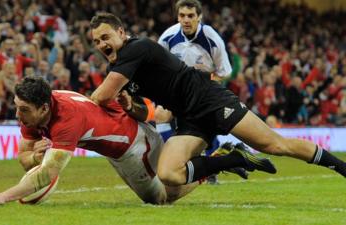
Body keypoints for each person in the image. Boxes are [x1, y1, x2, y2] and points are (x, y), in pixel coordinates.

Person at [88, 13, 346, 188]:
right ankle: (233, 159)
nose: (101, 44)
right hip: (188, 116)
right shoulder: (125, 70)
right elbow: (148, 115)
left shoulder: (135, 49)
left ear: (121, 32)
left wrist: (84, 107)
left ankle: (341, 166)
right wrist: (129, 106)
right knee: (168, 175)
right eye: (96, 41)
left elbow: (99, 97)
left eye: (105, 37)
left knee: (275, 145)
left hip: (209, 99)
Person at [0, 76, 271, 205]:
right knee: (168, 188)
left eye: (23, 110)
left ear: (44, 108)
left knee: (165, 197)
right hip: (118, 149)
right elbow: (25, 157)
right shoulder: (34, 111)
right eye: (16, 107)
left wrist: (4, 195)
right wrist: (37, 157)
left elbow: (49, 173)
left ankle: (225, 158)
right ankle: (224, 158)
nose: (17, 114)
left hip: (134, 145)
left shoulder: (66, 120)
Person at [157, 0, 235, 184]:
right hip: (175, 90)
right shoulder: (167, 38)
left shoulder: (212, 39)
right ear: (177, 17)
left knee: (203, 129)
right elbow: (158, 67)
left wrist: (203, 84)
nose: (186, 20)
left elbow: (224, 72)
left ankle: (212, 164)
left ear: (199, 17)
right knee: (161, 116)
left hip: (205, 90)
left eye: (191, 16)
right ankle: (177, 161)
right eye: (182, 16)